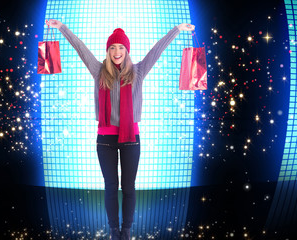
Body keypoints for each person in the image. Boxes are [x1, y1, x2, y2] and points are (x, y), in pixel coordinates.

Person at [45, 19, 195, 240]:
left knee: (129, 187)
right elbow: (80, 48)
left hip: (131, 139)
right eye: (113, 47)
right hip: (105, 140)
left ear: (127, 50)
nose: (117, 52)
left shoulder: (138, 71)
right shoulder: (98, 71)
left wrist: (177, 30)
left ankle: (126, 230)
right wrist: (61, 28)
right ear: (108, 50)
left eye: (121, 47)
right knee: (110, 187)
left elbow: (157, 50)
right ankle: (114, 231)